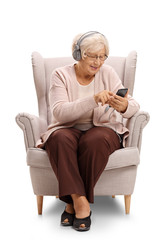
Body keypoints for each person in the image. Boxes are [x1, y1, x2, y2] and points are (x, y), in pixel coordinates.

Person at [37, 31, 140, 231]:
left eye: (102, 56)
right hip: (67, 128)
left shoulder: (108, 72)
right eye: (92, 56)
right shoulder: (60, 75)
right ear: (78, 54)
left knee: (95, 139)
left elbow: (134, 105)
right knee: (59, 139)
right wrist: (93, 100)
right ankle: (80, 202)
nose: (98, 62)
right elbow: (60, 112)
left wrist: (124, 106)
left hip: (102, 130)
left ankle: (70, 203)